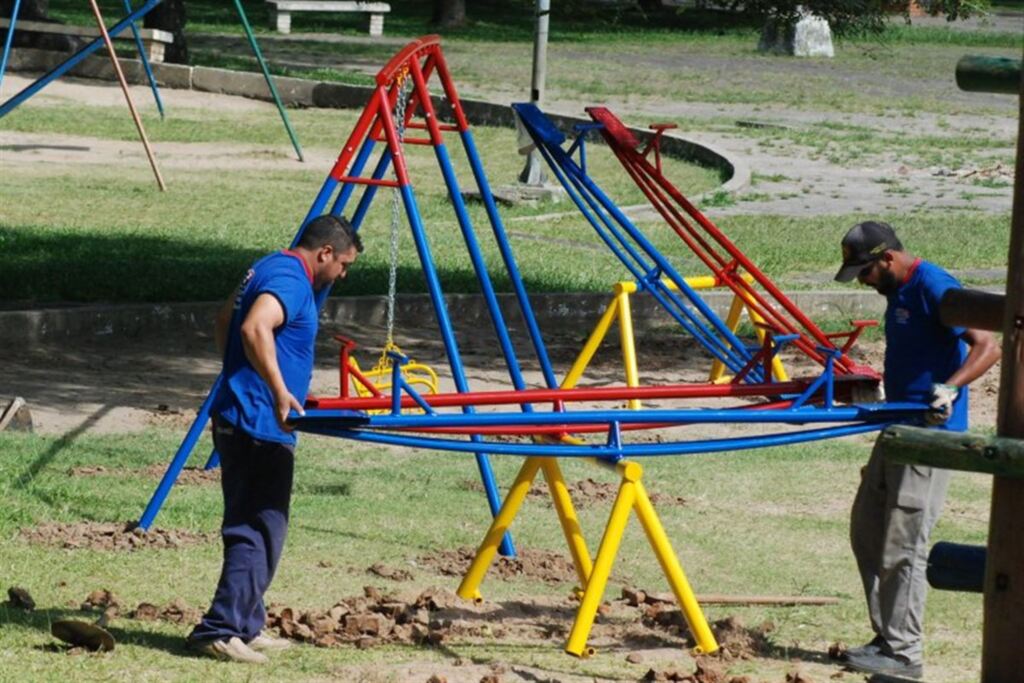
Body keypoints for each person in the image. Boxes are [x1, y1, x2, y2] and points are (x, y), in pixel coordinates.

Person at [187, 215, 362, 663]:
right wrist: (278, 390)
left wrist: (241, 374)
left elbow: (225, 318)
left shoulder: (269, 265)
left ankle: (246, 623)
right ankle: (219, 630)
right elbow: (252, 327)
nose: (342, 274)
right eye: (343, 265)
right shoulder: (291, 280)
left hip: (246, 413)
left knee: (265, 525)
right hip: (257, 423)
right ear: (325, 253)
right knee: (256, 527)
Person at [834, 221, 999, 679]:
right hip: (897, 427)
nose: (863, 283)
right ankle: (886, 637)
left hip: (929, 435)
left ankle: (904, 653)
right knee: (868, 531)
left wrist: (951, 387)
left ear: (887, 258)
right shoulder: (896, 289)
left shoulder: (933, 285)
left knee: (904, 542)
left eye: (865, 272)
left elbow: (988, 346)